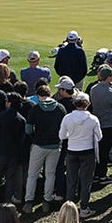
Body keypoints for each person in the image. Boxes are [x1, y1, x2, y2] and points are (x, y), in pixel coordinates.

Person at [23, 84, 66, 213]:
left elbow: (28, 129)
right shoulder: (60, 108)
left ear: (39, 96)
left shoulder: (36, 109)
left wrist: (34, 136)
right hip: (54, 146)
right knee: (50, 174)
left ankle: (29, 201)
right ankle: (47, 200)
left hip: (38, 145)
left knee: (32, 174)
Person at [58, 91, 102, 217]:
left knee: (71, 180)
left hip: (72, 151)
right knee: (86, 181)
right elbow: (99, 137)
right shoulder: (93, 119)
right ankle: (84, 207)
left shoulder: (67, 118)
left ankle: (69, 208)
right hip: (87, 152)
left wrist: (71, 135)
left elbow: (61, 135)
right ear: (88, 104)